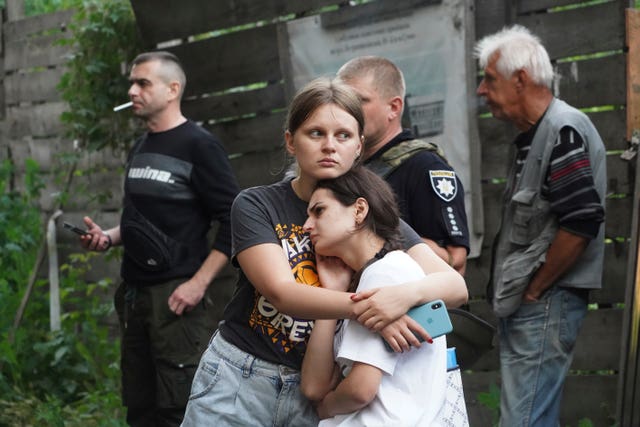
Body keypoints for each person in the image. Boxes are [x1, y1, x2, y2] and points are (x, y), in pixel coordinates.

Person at [180, 77, 467, 427]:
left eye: (343, 135)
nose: (329, 146)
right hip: (242, 378)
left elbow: (454, 286)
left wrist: (401, 298)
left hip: (317, 388)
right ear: (290, 141)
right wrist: (371, 309)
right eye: (315, 133)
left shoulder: (374, 219)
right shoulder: (258, 204)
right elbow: (282, 292)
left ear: (359, 146)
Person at [76, 51, 240, 426]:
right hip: (134, 297)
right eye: (132, 83)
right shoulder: (141, 146)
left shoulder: (200, 146)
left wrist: (198, 284)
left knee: (178, 408)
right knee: (140, 404)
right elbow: (142, 220)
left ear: (172, 89)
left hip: (177, 300)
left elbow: (234, 220)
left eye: (143, 83)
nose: (133, 90)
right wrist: (108, 238)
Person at [475, 25, 606, 426]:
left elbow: (582, 219)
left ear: (521, 80)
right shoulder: (538, 134)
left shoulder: (561, 131)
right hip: (538, 304)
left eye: (489, 79)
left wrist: (536, 288)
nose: (482, 90)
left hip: (546, 302)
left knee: (523, 420)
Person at [300, 166, 449, 425]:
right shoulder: (367, 280)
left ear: (359, 210)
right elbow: (314, 386)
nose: (306, 226)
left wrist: (326, 408)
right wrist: (332, 294)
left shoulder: (387, 273)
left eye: (319, 211)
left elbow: (360, 389)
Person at [335, 56, 470, 275]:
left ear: (394, 107)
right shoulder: (341, 166)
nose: (347, 110)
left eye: (360, 100)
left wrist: (376, 239)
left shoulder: (425, 166)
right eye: (341, 100)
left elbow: (456, 260)